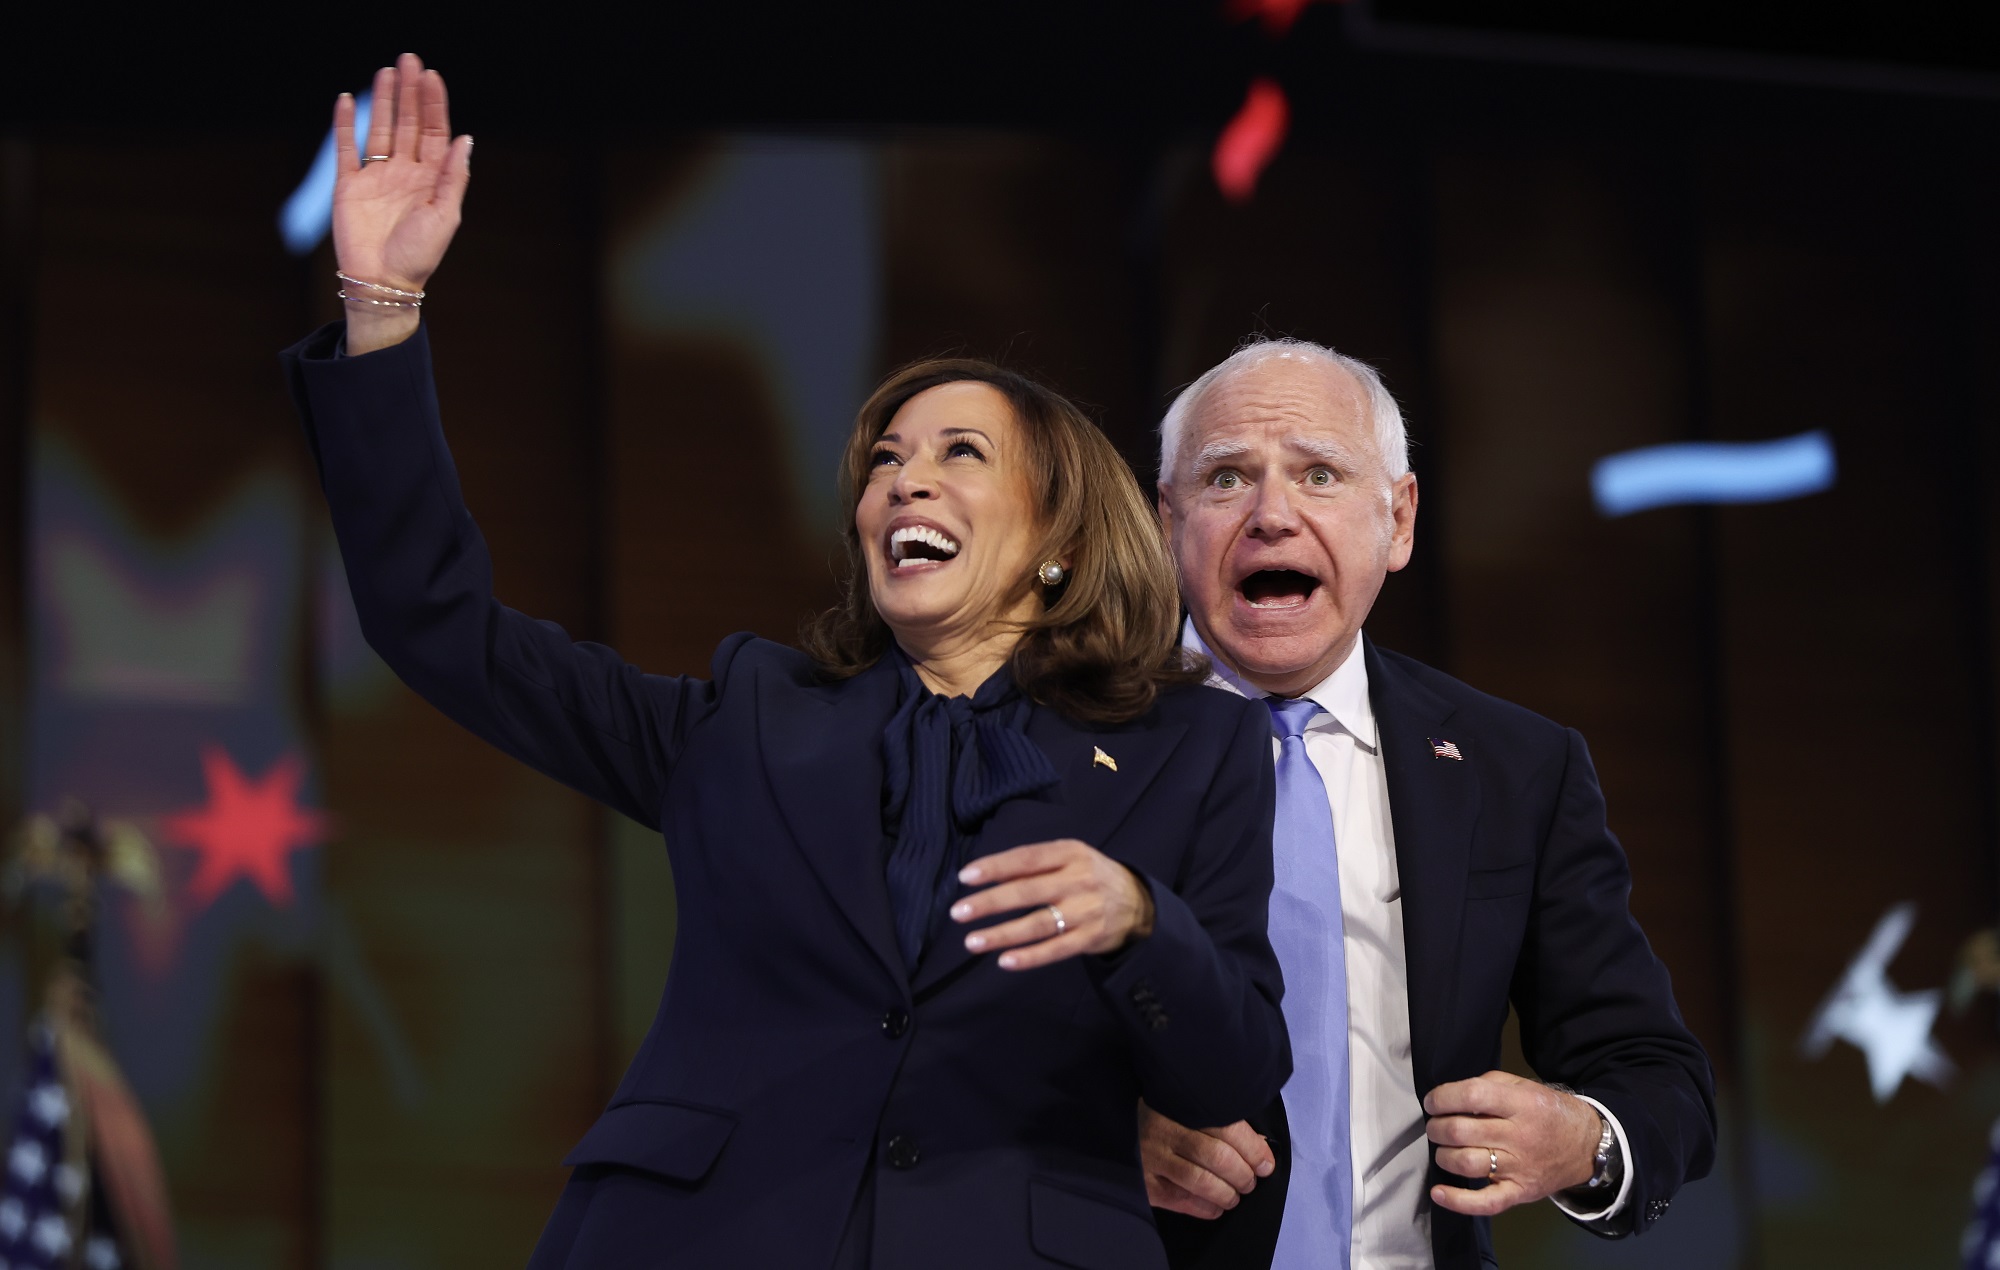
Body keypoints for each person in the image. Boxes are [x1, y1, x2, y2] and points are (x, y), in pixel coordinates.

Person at [283, 55, 1289, 1270]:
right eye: (882, 460)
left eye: (958, 452)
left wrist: (1137, 919)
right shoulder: (748, 717)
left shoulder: (1193, 749)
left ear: (1059, 541)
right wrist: (382, 306)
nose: (902, 478)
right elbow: (438, 623)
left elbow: (1231, 1058)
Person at [1140, 339, 1716, 1270]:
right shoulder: (1062, 738)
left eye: (1319, 473)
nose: (1271, 516)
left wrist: (1580, 1139)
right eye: (1225, 478)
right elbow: (929, 1055)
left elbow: (1658, 1077)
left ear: (1398, 520)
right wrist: (1095, 1139)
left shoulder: (1517, 766)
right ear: (1169, 524)